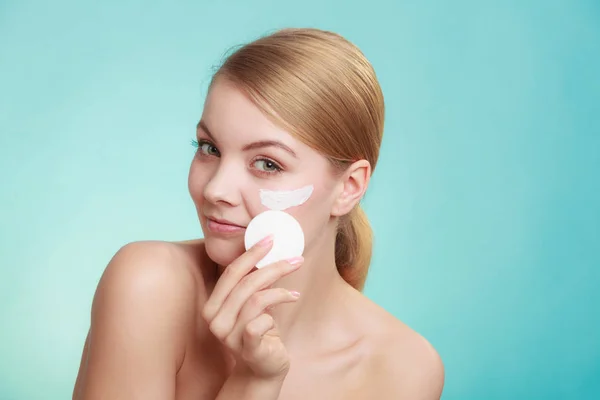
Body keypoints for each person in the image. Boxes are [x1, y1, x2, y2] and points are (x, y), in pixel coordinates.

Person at [72, 27, 444, 400]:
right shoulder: (148, 285)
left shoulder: (404, 368)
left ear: (348, 188)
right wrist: (253, 383)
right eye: (209, 148)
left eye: (267, 163)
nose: (216, 189)